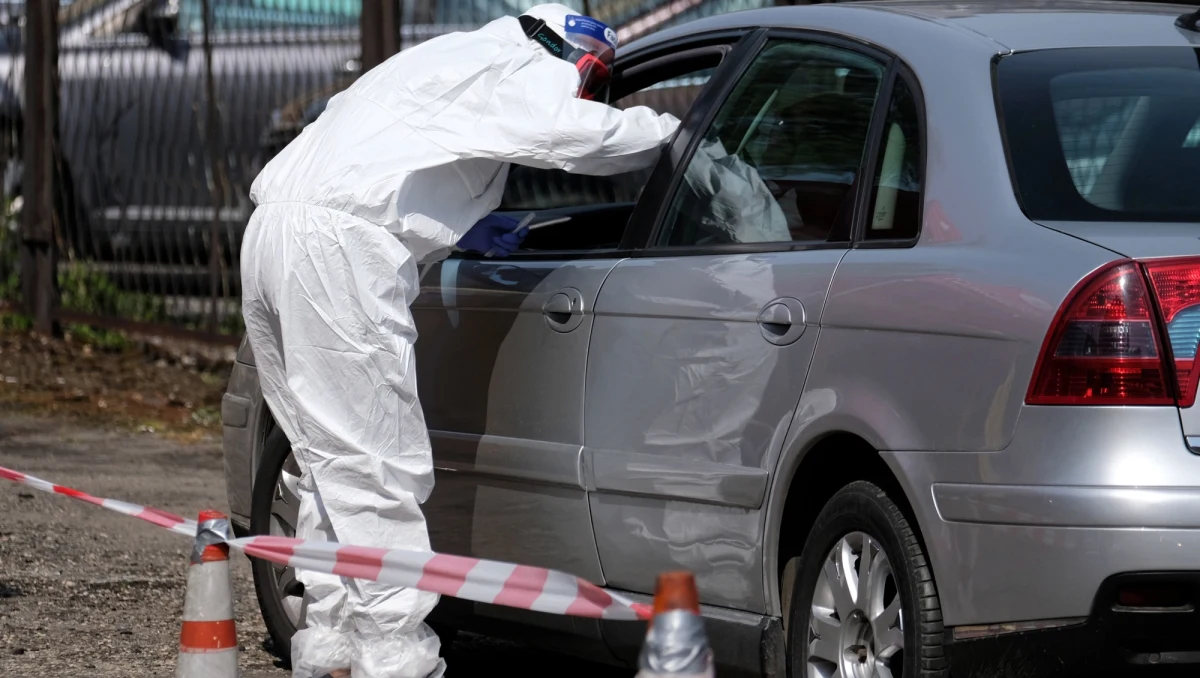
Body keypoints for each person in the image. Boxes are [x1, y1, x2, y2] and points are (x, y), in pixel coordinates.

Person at [238, 4, 680, 678]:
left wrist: (462, 226)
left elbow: (394, 149)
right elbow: (570, 135)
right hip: (339, 249)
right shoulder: (527, 62)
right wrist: (676, 133)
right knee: (377, 462)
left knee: (329, 460)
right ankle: (393, 656)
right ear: (579, 56)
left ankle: (332, 644)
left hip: (273, 231)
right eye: (595, 82)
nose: (590, 94)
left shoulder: (450, 55)